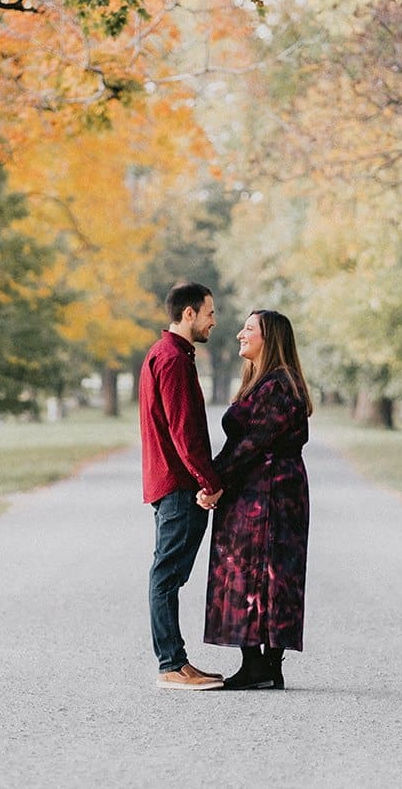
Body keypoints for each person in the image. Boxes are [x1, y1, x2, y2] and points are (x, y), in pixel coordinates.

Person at [201, 308, 312, 690]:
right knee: (257, 569)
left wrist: (213, 481)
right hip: (257, 488)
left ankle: (261, 665)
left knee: (262, 570)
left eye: (249, 329)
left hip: (270, 492)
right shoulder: (263, 382)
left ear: (270, 339)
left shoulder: (280, 385)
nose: (240, 335)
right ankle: (262, 664)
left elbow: (252, 443)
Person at [139, 282, 226, 690]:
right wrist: (208, 481)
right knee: (166, 575)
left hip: (173, 485)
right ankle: (171, 665)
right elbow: (183, 431)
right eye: (209, 312)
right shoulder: (173, 359)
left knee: (169, 576)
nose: (214, 320)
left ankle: (178, 661)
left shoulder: (169, 355)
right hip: (178, 487)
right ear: (188, 314)